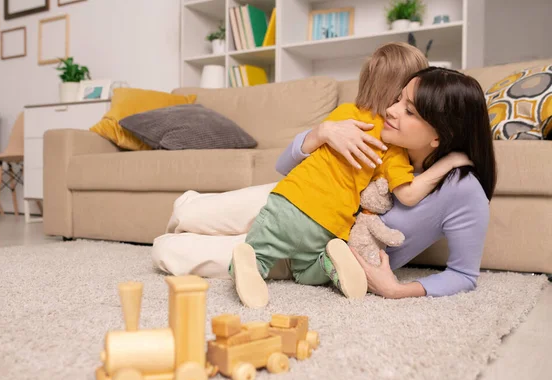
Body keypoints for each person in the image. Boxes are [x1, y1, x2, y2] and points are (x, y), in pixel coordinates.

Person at [151, 53, 496, 302]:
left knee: (169, 250)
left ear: (440, 134)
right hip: (293, 197)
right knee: (188, 214)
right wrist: (322, 133)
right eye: (397, 99)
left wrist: (398, 290)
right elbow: (285, 167)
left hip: (321, 248)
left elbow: (464, 275)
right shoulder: (378, 131)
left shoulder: (462, 191)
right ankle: (190, 207)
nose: (390, 110)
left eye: (406, 108)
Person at [229, 43, 473, 309]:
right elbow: (409, 194)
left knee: (255, 254)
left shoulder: (344, 114)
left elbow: (289, 169)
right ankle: (329, 261)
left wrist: (326, 129)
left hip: (289, 202)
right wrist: (449, 162)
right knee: (306, 269)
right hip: (332, 225)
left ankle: (253, 263)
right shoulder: (392, 148)